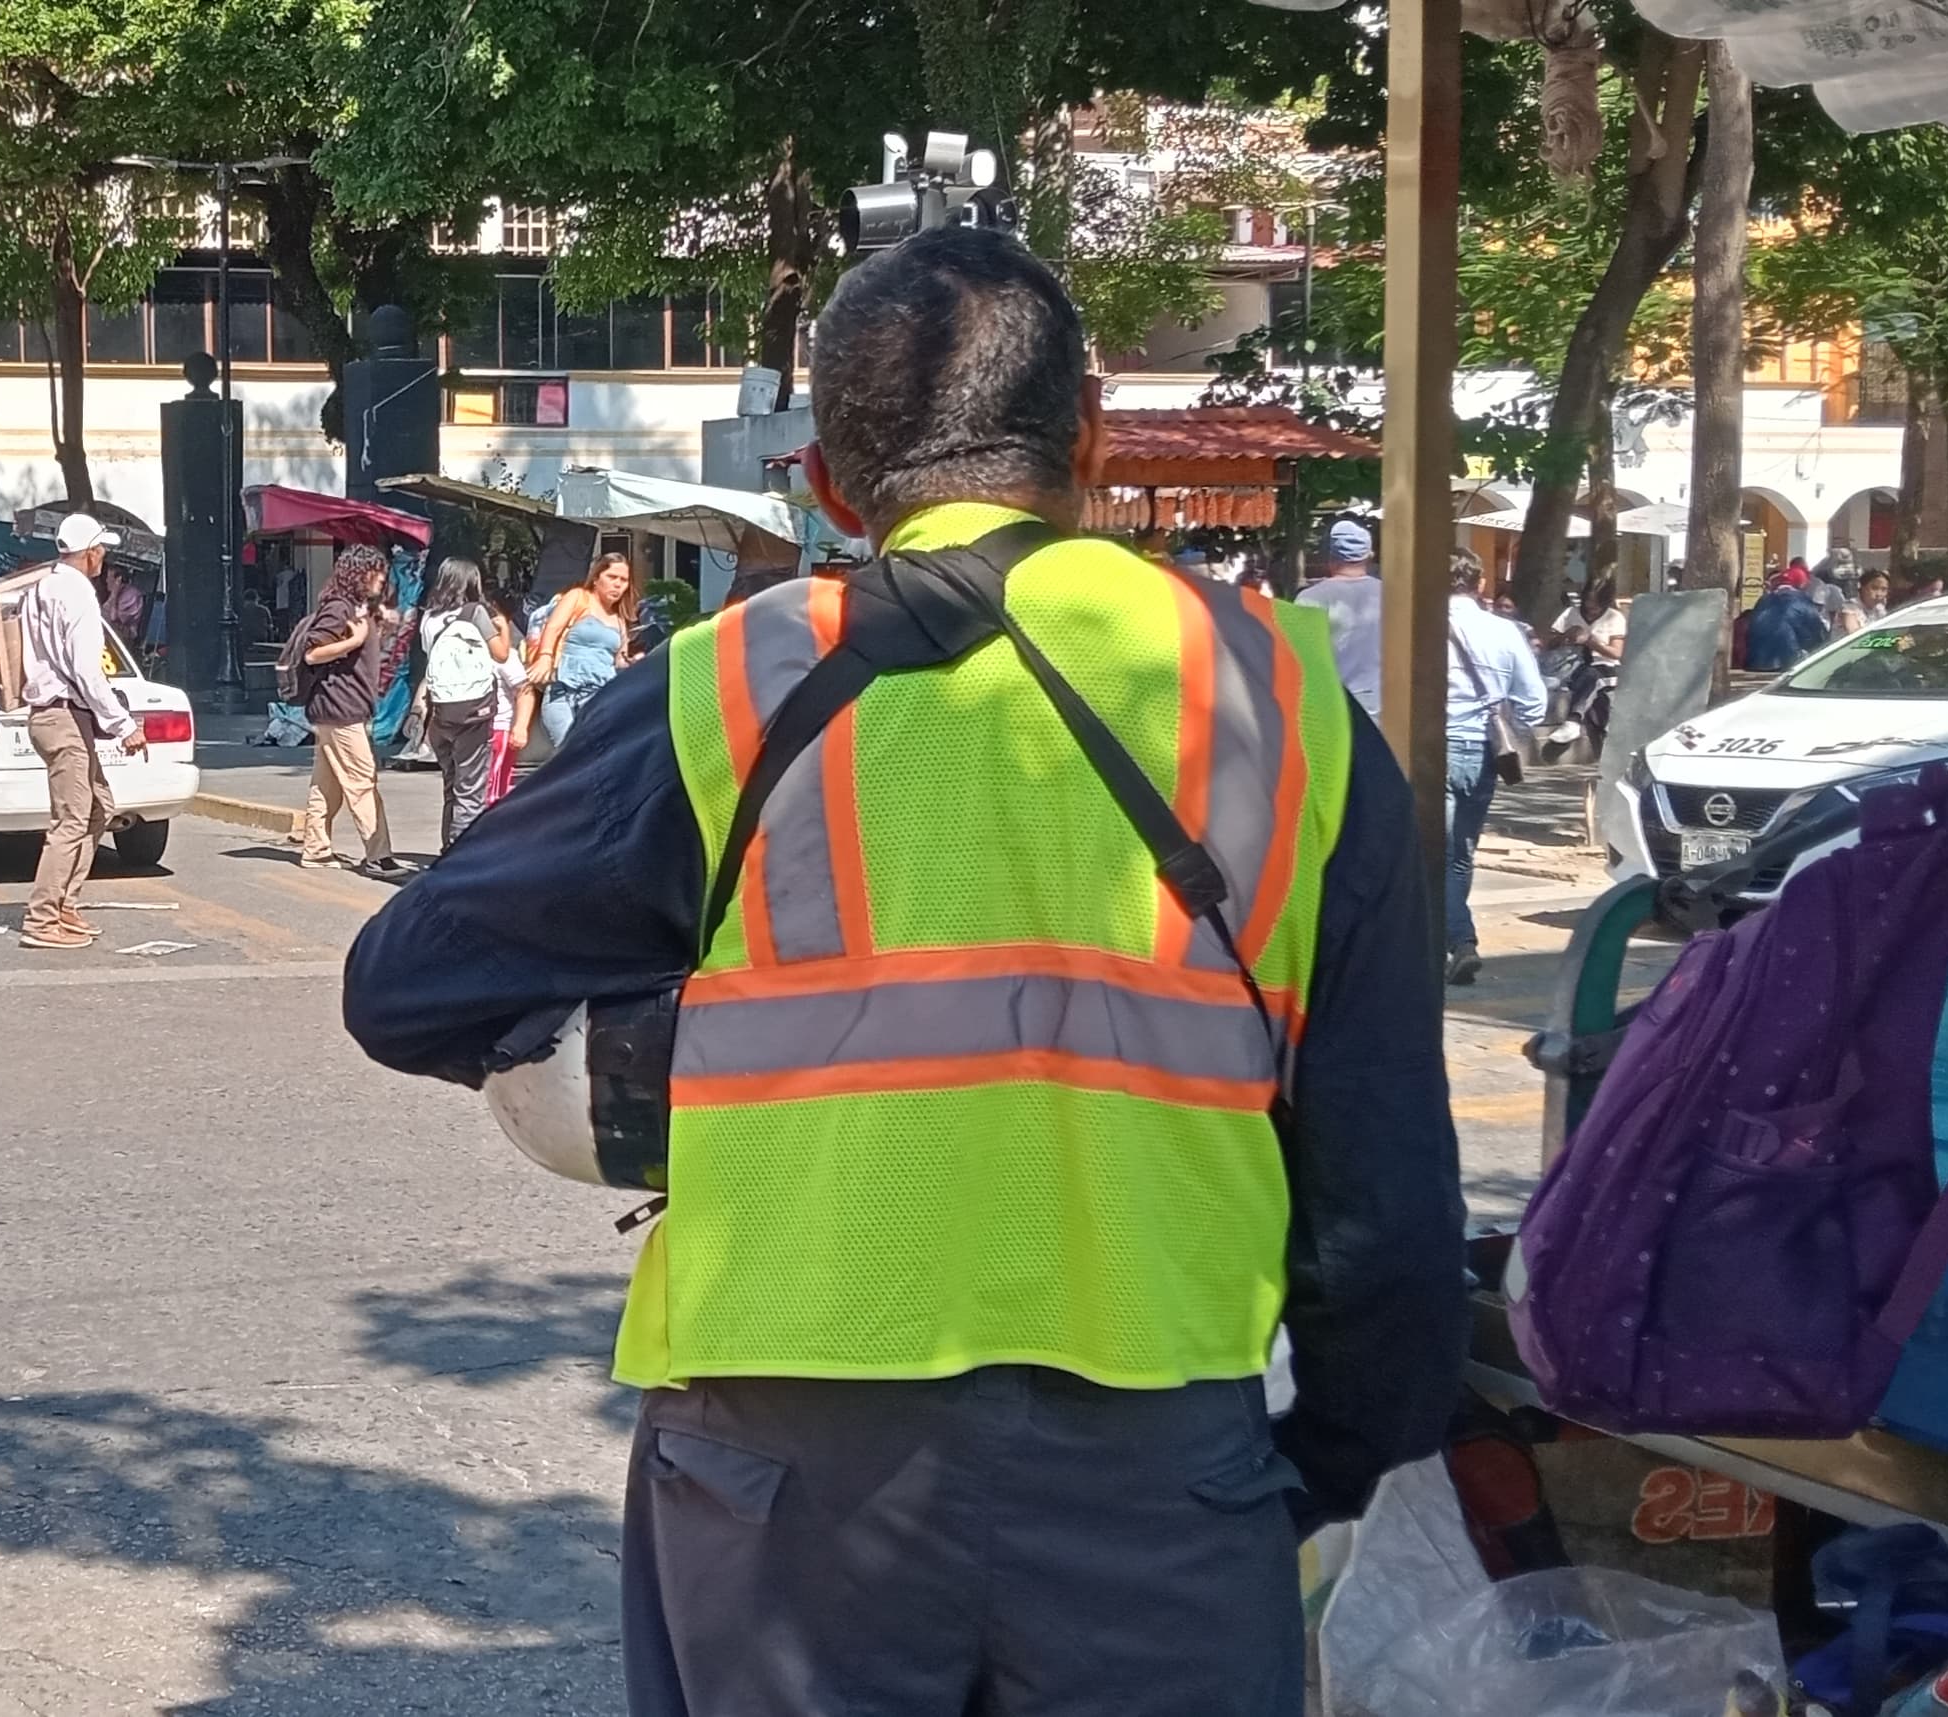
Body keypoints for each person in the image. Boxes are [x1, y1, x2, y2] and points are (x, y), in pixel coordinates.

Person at [344, 226, 1465, 1717]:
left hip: (786, 1482)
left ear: (825, 480)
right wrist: (1316, 1466)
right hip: (1160, 1476)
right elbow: (1380, 1174)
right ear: (1092, 434)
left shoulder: (729, 692)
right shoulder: (1277, 699)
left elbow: (408, 984)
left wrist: (692, 1053)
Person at [13, 514, 146, 949]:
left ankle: (65, 904)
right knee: (72, 819)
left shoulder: (41, 588)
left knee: (97, 806)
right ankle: (42, 917)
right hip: (64, 715)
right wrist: (124, 725)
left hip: (51, 713)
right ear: (89, 552)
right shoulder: (80, 595)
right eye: (101, 550)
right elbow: (88, 670)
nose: (104, 558)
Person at [1442, 552, 1550, 987]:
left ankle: (1458, 940)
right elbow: (1535, 705)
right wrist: (1504, 719)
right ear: (1481, 584)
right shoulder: (1505, 632)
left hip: (1434, 746)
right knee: (1460, 855)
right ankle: (1454, 940)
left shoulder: (1418, 626)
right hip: (1483, 752)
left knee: (1434, 851)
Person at [291, 544, 403, 873]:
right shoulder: (338, 608)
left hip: (338, 707)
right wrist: (353, 642)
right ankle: (378, 855)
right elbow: (313, 653)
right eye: (375, 572)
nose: (382, 578)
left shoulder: (353, 608)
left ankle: (316, 849)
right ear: (359, 573)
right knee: (362, 780)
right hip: (340, 708)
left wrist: (376, 629)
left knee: (327, 784)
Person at [410, 557, 517, 847]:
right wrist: (503, 626)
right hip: (473, 713)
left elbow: (430, 656)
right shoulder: (475, 612)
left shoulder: (428, 617)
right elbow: (502, 654)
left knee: (451, 785)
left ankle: (448, 846)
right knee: (471, 789)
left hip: (440, 712)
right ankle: (461, 853)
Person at [524, 551, 641, 757]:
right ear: (596, 578)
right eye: (612, 577)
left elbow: (618, 662)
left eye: (623, 580)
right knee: (569, 754)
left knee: (594, 757)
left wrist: (635, 663)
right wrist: (545, 656)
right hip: (564, 691)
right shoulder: (578, 597)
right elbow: (553, 628)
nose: (617, 585)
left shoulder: (619, 620)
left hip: (598, 698)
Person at [1294, 515, 1383, 712]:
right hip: (1382, 707)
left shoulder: (1311, 599)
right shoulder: (1392, 596)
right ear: (1369, 555)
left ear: (1329, 556)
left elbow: (1298, 659)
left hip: (1331, 710)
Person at [1743, 565, 1832, 673]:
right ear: (1802, 583)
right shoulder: (1802, 601)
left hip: (1755, 661)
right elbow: (1817, 634)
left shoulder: (1764, 600)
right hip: (1786, 661)